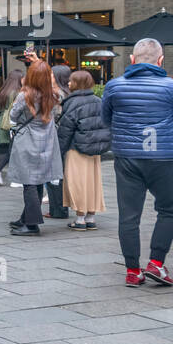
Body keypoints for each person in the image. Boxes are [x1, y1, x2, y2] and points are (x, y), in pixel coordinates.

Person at [101, 37, 173, 286]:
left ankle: (132, 271)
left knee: (128, 216)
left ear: (132, 60)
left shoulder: (114, 86)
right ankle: (156, 263)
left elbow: (106, 120)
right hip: (163, 158)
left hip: (127, 158)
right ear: (161, 60)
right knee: (168, 210)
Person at [7, 60, 63, 236]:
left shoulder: (25, 96)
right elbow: (57, 114)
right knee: (38, 180)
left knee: (29, 182)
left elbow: (13, 116)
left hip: (28, 140)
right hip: (47, 141)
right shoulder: (55, 95)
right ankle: (25, 218)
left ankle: (32, 224)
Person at [57, 70, 111, 231]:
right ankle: (91, 217)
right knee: (93, 182)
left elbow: (65, 130)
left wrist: (58, 151)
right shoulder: (98, 100)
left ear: (77, 84)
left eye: (71, 81)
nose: (68, 83)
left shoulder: (71, 102)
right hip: (94, 150)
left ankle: (80, 219)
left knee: (77, 183)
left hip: (76, 148)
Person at [0, 69, 26, 186]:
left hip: (5, 124)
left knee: (13, 149)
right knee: (15, 150)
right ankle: (12, 178)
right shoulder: (17, 93)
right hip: (14, 124)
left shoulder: (3, 91)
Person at [46, 64, 73, 219]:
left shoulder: (57, 94)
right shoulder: (67, 93)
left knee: (54, 174)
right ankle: (58, 208)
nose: (49, 77)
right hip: (63, 139)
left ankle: (58, 210)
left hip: (55, 138)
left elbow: (53, 117)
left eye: (51, 74)